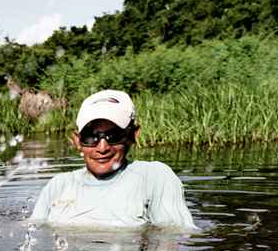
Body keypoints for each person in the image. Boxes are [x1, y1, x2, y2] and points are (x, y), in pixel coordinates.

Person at [26, 89, 195, 229]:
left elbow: (173, 237)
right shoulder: (58, 185)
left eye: (113, 135)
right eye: (91, 137)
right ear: (77, 141)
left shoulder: (154, 177)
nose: (102, 148)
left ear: (133, 135)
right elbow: (33, 234)